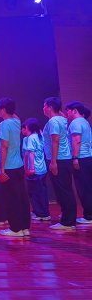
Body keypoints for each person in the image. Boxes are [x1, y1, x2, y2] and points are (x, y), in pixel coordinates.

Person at [0, 98, 31, 237]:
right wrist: (10, 108)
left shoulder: (4, 125)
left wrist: (2, 168)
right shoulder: (16, 122)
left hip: (9, 166)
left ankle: (16, 229)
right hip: (19, 165)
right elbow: (16, 116)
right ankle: (25, 227)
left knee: (11, 198)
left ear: (4, 109)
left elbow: (4, 146)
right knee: (21, 197)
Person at [43, 97, 76, 230]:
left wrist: (53, 162)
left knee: (63, 191)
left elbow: (55, 140)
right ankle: (68, 219)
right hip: (64, 159)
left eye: (45, 106)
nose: (43, 108)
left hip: (59, 160)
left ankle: (68, 222)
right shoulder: (62, 119)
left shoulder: (54, 121)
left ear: (50, 107)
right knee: (65, 190)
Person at [66, 101, 92, 225]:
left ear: (75, 110)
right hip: (87, 157)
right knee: (88, 186)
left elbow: (76, 140)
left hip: (81, 158)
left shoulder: (75, 122)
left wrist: (74, 157)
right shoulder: (85, 121)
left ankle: (89, 216)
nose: (67, 113)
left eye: (68, 110)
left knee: (83, 188)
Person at [24, 118, 50, 221]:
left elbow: (31, 153)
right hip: (42, 168)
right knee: (42, 191)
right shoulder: (41, 136)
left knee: (35, 192)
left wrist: (31, 168)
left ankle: (41, 214)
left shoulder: (31, 138)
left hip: (35, 169)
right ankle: (43, 212)